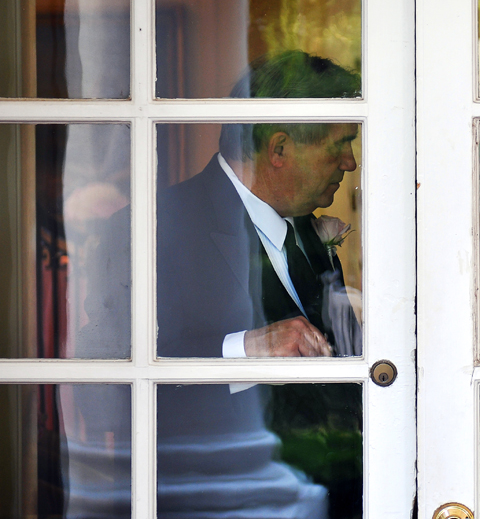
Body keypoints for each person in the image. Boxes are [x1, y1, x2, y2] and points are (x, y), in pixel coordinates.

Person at [83, 50, 362, 358]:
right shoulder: (146, 230)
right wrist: (242, 350)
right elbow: (107, 373)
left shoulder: (310, 230)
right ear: (279, 149)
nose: (351, 162)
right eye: (340, 145)